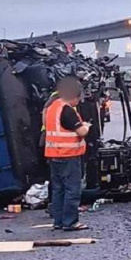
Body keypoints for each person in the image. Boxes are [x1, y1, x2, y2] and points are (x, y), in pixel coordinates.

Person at [43, 76, 91, 231]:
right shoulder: (67, 111)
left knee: (58, 189)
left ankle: (58, 221)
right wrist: (86, 125)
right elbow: (81, 131)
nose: (78, 102)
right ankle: (70, 222)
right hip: (68, 155)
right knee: (72, 189)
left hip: (53, 154)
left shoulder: (51, 107)